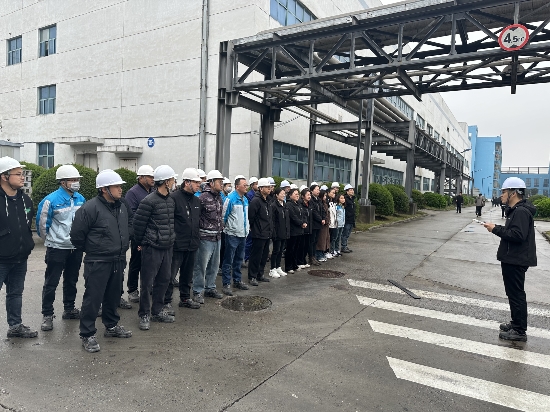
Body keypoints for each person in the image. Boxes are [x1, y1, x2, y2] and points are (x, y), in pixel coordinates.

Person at [71, 169, 132, 353]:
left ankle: (111, 326)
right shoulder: (90, 208)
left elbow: (129, 224)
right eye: (116, 186)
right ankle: (87, 333)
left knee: (113, 295)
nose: (120, 189)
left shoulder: (122, 206)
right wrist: (94, 249)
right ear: (104, 189)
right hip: (98, 261)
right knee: (93, 298)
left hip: (118, 259)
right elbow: (77, 235)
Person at [483, 177, 536, 342]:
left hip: (516, 259)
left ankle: (519, 331)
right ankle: (515, 323)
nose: (502, 195)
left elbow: (518, 235)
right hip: (512, 258)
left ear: (513, 193)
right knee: (513, 294)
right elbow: (513, 231)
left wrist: (495, 229)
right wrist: (497, 227)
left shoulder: (520, 212)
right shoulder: (515, 210)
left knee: (516, 294)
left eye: (504, 191)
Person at [36, 165, 85, 332]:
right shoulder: (50, 200)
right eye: (73, 180)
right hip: (57, 248)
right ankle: (47, 315)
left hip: (75, 247)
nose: (76, 182)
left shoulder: (80, 199)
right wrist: (51, 240)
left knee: (71, 280)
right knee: (51, 282)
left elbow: (84, 221)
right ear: (63, 182)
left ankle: (69, 309)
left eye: (77, 179)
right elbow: (42, 225)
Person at [133, 165, 177, 330]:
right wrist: (141, 243)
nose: (174, 182)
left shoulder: (170, 200)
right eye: (172, 179)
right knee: (147, 282)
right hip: (152, 247)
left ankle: (157, 311)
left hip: (167, 247)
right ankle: (144, 314)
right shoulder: (148, 201)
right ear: (166, 182)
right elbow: (138, 225)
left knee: (164, 279)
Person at [0, 157, 37, 339]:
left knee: (15, 294)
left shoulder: (25, 200)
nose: (23, 177)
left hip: (20, 257)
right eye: (18, 174)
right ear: (4, 176)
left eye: (23, 174)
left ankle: (15, 326)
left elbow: (27, 225)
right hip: (1, 259)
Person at [164, 168, 202, 311]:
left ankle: (185, 298)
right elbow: (168, 221)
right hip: (177, 245)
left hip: (192, 244)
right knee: (169, 275)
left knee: (187, 274)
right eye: (196, 182)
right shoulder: (173, 198)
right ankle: (166, 301)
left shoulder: (197, 200)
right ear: (187, 182)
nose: (198, 185)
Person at [192, 170, 225, 303]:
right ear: (211, 183)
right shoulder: (202, 198)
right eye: (219, 182)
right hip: (205, 238)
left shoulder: (219, 197)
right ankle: (198, 291)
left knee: (214, 266)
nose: (221, 184)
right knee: (201, 266)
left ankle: (210, 287)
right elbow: (196, 217)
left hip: (217, 237)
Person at [124, 164, 155, 304]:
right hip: (139, 233)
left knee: (149, 263)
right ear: (141, 177)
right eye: (150, 176)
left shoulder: (153, 191)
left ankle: (147, 287)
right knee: (136, 262)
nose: (153, 179)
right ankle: (132, 289)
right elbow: (131, 214)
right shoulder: (133, 193)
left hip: (152, 233)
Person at [221, 176, 251, 295]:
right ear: (237, 186)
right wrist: (229, 228)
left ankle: (237, 280)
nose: (246, 187)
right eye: (244, 185)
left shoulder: (245, 199)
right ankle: (226, 283)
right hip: (232, 234)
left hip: (243, 234)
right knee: (228, 259)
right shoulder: (230, 199)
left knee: (239, 259)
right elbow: (223, 216)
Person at [247, 178, 273, 286]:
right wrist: (256, 228)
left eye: (270, 187)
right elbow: (251, 216)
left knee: (264, 255)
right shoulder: (256, 201)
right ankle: (252, 276)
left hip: (267, 232)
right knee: (256, 256)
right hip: (259, 232)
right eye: (267, 187)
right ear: (261, 188)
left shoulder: (268, 200)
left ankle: (260, 274)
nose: (269, 189)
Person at [269, 187, 290, 278]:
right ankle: (272, 269)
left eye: (284, 193)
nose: (283, 195)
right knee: (276, 251)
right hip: (277, 232)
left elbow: (287, 220)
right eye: (281, 193)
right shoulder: (273, 205)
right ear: (276, 195)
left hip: (284, 232)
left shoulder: (284, 205)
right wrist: (274, 232)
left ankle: (278, 267)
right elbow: (272, 221)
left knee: (280, 251)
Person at [285, 188, 305, 274]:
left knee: (296, 248)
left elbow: (303, 215)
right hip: (293, 230)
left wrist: (304, 222)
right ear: (290, 195)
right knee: (290, 249)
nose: (297, 195)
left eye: (298, 194)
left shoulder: (298, 204)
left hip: (299, 230)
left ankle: (294, 264)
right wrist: (301, 223)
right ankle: (288, 266)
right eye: (295, 194)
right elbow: (293, 217)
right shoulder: (289, 204)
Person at [243, 177, 259, 266]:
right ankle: (246, 258)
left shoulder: (255, 194)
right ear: (252, 185)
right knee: (248, 242)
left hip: (254, 221)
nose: (257, 185)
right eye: (256, 184)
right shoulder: (250, 195)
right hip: (250, 221)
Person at [299, 187, 315, 267]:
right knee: (301, 246)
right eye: (307, 195)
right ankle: (300, 261)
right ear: (303, 196)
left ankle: (304, 260)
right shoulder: (300, 204)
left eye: (310, 195)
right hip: (303, 228)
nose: (309, 196)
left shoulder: (310, 204)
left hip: (309, 228)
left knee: (307, 245)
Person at [309, 183, 324, 265]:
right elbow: (313, 211)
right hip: (313, 223)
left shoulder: (318, 199)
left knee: (315, 241)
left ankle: (314, 256)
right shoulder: (311, 200)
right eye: (317, 189)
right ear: (312, 191)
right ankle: (311, 257)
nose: (318, 191)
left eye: (319, 189)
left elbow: (322, 210)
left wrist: (323, 218)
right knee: (312, 241)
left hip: (319, 224)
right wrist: (320, 219)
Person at [316, 189, 331, 261]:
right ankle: (319, 255)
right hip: (322, 224)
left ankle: (322, 253)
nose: (325, 197)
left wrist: (327, 220)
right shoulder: (319, 204)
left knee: (325, 239)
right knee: (320, 240)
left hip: (326, 224)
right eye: (324, 195)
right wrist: (323, 219)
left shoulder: (325, 203)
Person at [341, 184, 356, 253]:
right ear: (347, 191)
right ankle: (343, 246)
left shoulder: (352, 199)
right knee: (345, 233)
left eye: (352, 190)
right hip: (347, 220)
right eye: (350, 190)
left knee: (348, 234)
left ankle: (345, 246)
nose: (352, 191)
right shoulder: (345, 199)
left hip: (351, 220)